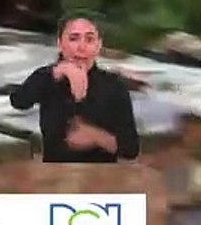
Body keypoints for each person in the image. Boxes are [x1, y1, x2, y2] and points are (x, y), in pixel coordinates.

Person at [9, 17, 139, 163]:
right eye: (74, 39)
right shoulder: (47, 77)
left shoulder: (114, 86)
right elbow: (18, 101)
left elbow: (131, 149)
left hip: (100, 177)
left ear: (98, 45)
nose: (81, 47)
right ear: (60, 44)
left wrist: (96, 137)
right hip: (55, 175)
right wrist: (55, 73)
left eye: (89, 40)